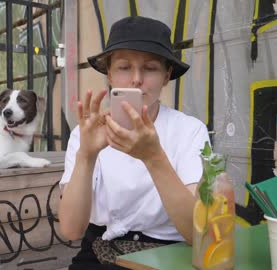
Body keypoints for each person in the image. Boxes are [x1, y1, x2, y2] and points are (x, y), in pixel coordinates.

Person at [58, 16, 210, 269]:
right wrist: (87, 156)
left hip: (170, 254)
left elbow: (196, 233)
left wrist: (153, 157)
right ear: (109, 74)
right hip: (98, 251)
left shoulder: (190, 131)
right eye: (124, 67)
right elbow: (72, 229)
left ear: (166, 75)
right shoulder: (86, 133)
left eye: (150, 68)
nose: (137, 79)